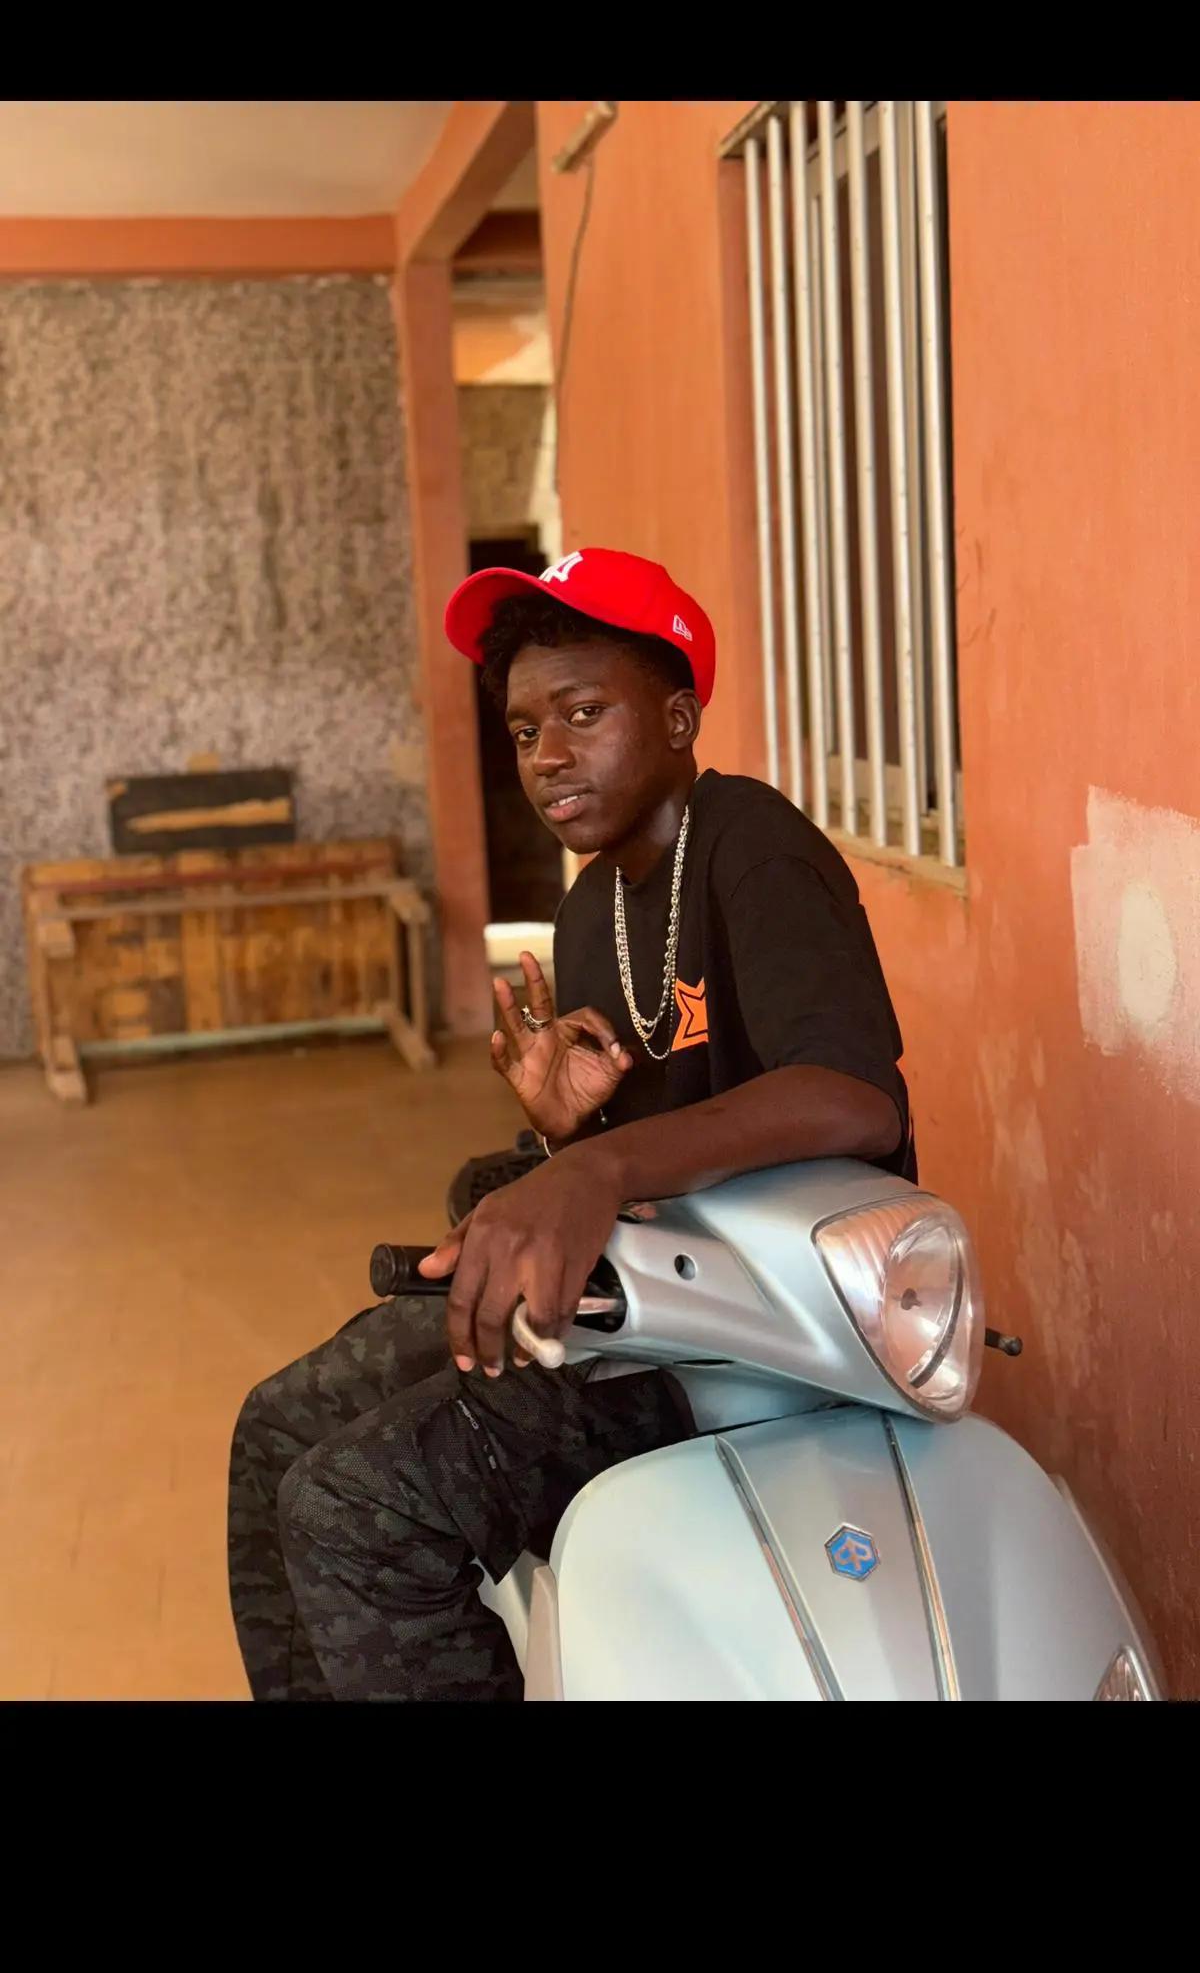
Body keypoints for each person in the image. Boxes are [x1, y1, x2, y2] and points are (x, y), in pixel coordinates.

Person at [227, 547, 915, 1702]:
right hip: (646, 1298)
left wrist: (593, 1167)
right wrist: (563, 1135)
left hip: (762, 1337)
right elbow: (636, 1158)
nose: (547, 752)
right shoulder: (594, 904)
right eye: (524, 728)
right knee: (277, 1427)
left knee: (354, 1503)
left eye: (584, 712)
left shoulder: (753, 842)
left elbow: (853, 1094)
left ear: (678, 716)